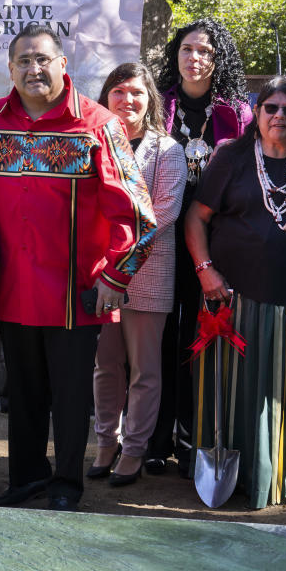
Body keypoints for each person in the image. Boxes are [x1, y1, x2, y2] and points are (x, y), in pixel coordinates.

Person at [0, 26, 156, 512]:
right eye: (23, 61)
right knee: (22, 395)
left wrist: (115, 276)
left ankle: (67, 483)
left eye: (42, 59)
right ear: (9, 70)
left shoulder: (98, 124)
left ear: (63, 65)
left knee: (70, 398)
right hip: (11, 289)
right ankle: (26, 479)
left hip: (76, 291)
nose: (33, 69)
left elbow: (138, 214)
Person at [185, 76, 286, 508]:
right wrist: (206, 271)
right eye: (271, 108)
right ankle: (235, 473)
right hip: (233, 300)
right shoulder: (233, 158)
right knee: (234, 391)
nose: (279, 116)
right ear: (257, 113)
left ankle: (283, 474)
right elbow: (195, 218)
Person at [148, 19, 252, 477]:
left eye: (206, 52)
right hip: (160, 240)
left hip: (216, 244)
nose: (195, 59)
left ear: (218, 59)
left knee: (202, 340)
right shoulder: (157, 106)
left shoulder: (238, 114)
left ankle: (195, 439)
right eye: (187, 49)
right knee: (160, 341)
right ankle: (153, 438)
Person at [89, 63, 186, 487]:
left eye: (137, 93)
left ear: (150, 101)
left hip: (147, 271)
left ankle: (134, 450)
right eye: (119, 91)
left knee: (144, 371)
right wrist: (106, 263)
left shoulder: (167, 151)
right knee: (105, 366)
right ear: (106, 95)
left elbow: (164, 212)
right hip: (101, 272)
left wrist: (123, 253)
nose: (127, 100)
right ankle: (104, 443)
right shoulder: (93, 142)